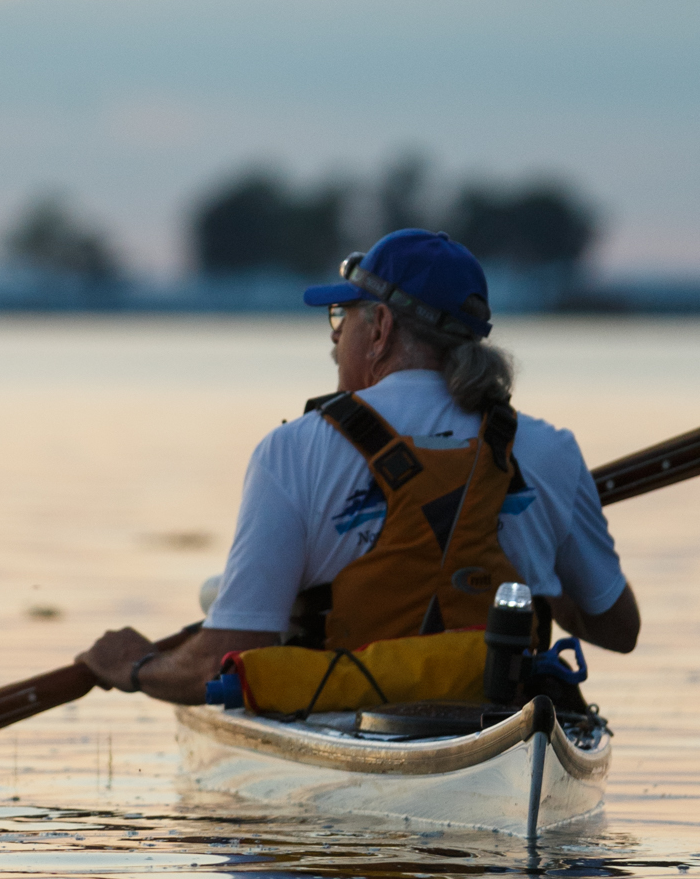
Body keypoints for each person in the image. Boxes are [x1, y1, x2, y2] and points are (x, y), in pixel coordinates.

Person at [81, 227, 639, 703]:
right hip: (503, 714)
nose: (334, 339)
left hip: (348, 717)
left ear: (380, 329)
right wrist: (538, 552)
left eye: (339, 317)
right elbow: (617, 628)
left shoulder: (294, 452)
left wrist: (136, 668)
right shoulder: (552, 451)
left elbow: (224, 660)